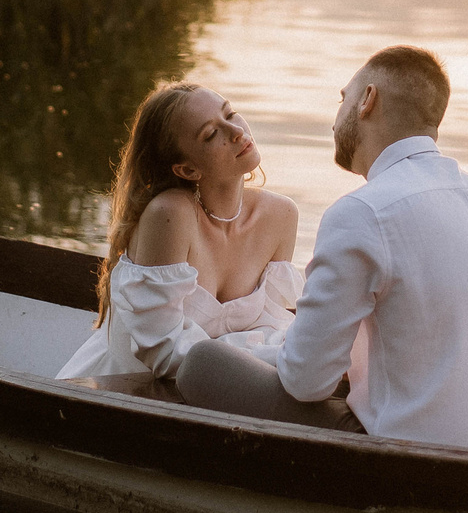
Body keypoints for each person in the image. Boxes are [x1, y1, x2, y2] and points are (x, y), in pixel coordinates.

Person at [177, 45, 468, 454]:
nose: (337, 114)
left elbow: (306, 382)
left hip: (421, 460)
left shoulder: (362, 213)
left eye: (343, 98)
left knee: (203, 363)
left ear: (367, 100)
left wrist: (254, 348)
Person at [58, 81, 302, 383]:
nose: (236, 131)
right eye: (211, 134)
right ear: (187, 170)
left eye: (231, 113)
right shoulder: (170, 215)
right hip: (126, 395)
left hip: (224, 395)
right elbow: (165, 355)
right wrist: (279, 358)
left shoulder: (280, 216)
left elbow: (272, 330)